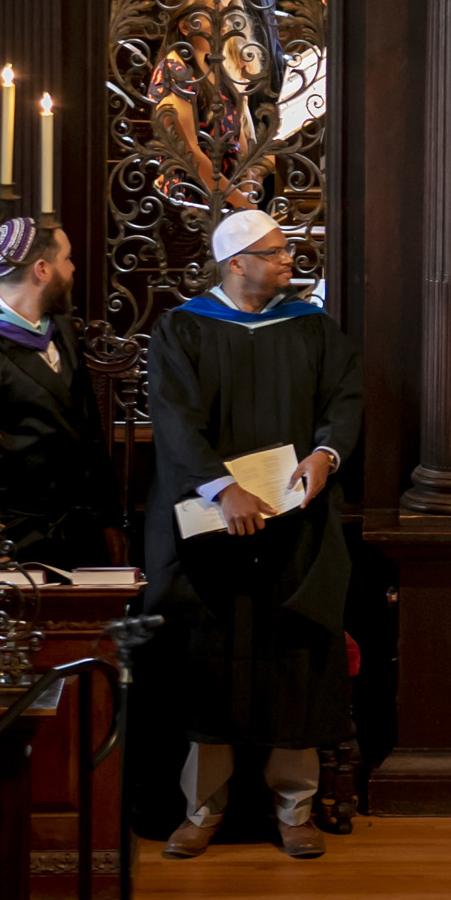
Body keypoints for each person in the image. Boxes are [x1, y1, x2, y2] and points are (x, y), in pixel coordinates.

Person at [144, 205, 362, 861]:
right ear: (236, 263)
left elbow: (344, 400)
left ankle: (294, 809)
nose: (288, 261)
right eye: (274, 253)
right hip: (211, 529)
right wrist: (221, 486)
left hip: (295, 525)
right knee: (209, 664)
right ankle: (201, 809)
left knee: (295, 660)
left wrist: (327, 456)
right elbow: (175, 420)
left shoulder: (311, 328)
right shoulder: (183, 330)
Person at [0, 218, 126, 572]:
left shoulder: (61, 330)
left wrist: (110, 521)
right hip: (13, 540)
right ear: (42, 269)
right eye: (68, 258)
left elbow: (91, 431)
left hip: (81, 535)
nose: (74, 268)